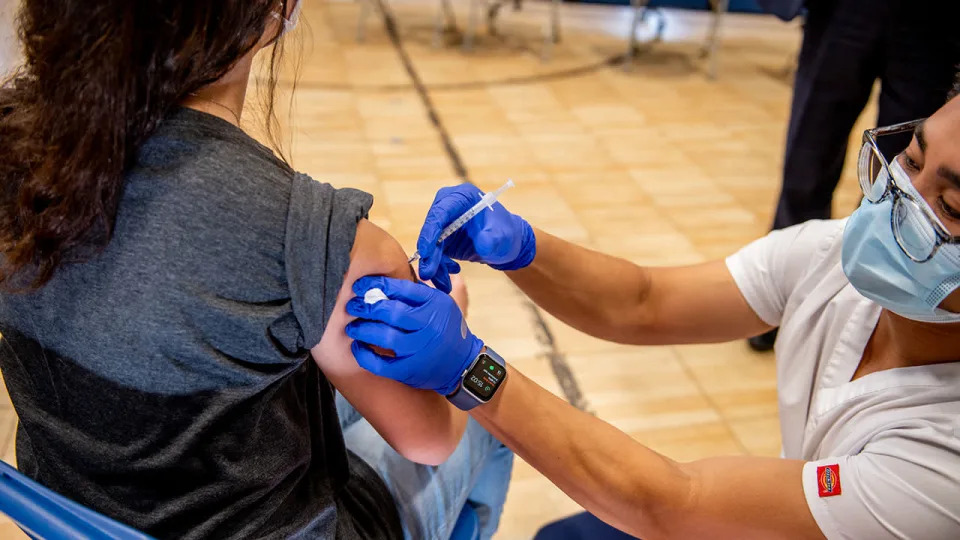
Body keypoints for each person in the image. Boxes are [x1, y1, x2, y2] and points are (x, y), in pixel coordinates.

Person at [345, 79, 960, 538]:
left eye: (951, 206)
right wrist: (523, 249)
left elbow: (674, 504)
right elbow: (645, 303)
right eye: (910, 159)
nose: (898, 197)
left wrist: (469, 371)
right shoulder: (837, 259)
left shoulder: (942, 468)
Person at [0, 1, 511, 539]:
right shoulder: (323, 240)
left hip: (70, 517)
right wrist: (457, 345)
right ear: (271, 14)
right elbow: (428, 441)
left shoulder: (14, 144)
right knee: (487, 425)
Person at [748, 0, 960, 351]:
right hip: (844, 8)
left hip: (935, 21)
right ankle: (783, 297)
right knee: (806, 158)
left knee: (904, 182)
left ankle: (865, 308)